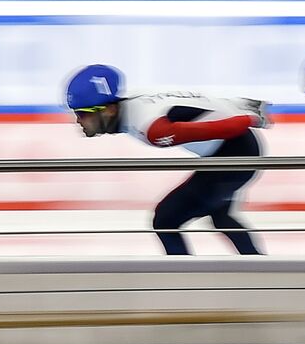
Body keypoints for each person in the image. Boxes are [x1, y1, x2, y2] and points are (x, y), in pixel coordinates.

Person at [64, 64, 269, 256]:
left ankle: (184, 283)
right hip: (232, 148)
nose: (78, 121)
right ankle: (262, 269)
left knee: (166, 219)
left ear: (109, 109)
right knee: (219, 215)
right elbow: (194, 102)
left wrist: (248, 118)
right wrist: (240, 105)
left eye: (82, 113)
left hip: (237, 153)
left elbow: (210, 128)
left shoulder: (151, 129)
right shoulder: (132, 103)